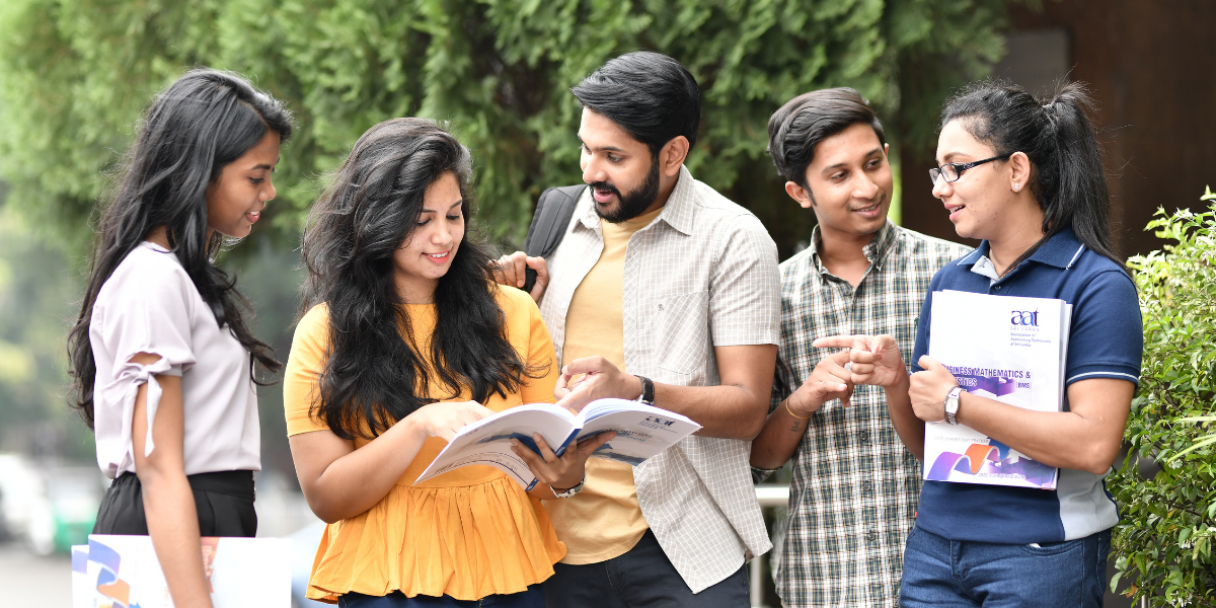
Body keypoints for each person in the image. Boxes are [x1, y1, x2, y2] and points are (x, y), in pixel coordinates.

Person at [817, 81, 1142, 607]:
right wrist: (899, 381)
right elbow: (933, 447)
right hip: (934, 551)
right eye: (937, 171)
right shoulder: (951, 282)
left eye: (957, 168)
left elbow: (1093, 445)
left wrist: (958, 402)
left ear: (1017, 170)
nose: (939, 188)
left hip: (1041, 556)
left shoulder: (1097, 285)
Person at [283, 118, 610, 607]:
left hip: (510, 577)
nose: (442, 236)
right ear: (375, 219)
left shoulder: (513, 311)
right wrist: (420, 425)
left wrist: (566, 476)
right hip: (389, 581)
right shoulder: (326, 332)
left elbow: (543, 481)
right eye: (420, 221)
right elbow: (326, 496)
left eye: (453, 216)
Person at [495, 51, 780, 607]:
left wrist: (637, 392)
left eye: (613, 156)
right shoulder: (560, 219)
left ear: (673, 153)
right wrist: (504, 299)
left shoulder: (733, 240)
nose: (590, 172)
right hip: (549, 549)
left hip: (678, 550)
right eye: (585, 147)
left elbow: (748, 409)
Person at [67, 69, 292, 608]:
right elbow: (159, 464)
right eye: (256, 176)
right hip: (169, 522)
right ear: (201, 170)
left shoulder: (178, 278)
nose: (270, 192)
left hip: (200, 519)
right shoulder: (153, 278)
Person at [749, 88, 971, 607]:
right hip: (822, 576)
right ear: (799, 193)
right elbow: (759, 455)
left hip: (944, 571)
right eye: (839, 175)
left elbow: (986, 429)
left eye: (873, 163)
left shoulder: (954, 273)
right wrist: (803, 399)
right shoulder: (772, 296)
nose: (868, 187)